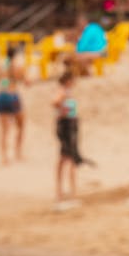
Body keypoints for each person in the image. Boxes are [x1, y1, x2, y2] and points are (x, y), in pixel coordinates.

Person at [52, 70, 95, 207]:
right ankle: (71, 190)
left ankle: (62, 190)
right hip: (66, 125)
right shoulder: (63, 91)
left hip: (67, 124)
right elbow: (55, 102)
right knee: (70, 157)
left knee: (65, 157)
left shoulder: (65, 91)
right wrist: (63, 110)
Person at [0, 45, 27, 165]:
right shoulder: (17, 67)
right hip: (13, 95)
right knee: (20, 125)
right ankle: (18, 152)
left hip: (1, 96)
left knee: (4, 130)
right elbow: (27, 81)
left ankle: (4, 157)